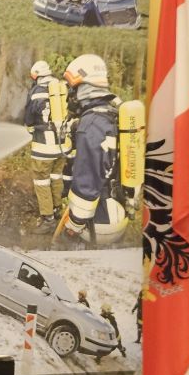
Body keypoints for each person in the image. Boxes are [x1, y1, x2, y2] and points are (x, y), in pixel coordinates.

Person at [62, 54, 128, 246]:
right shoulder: (110, 112)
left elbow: (88, 183)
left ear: (84, 87)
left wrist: (74, 225)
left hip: (99, 222)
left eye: (72, 88)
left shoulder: (91, 125)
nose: (70, 94)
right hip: (114, 209)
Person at [24, 60, 71, 234]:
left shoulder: (36, 92)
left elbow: (29, 119)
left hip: (44, 148)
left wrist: (30, 128)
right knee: (56, 176)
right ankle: (58, 209)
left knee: (41, 181)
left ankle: (48, 219)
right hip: (62, 146)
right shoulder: (61, 87)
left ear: (35, 76)